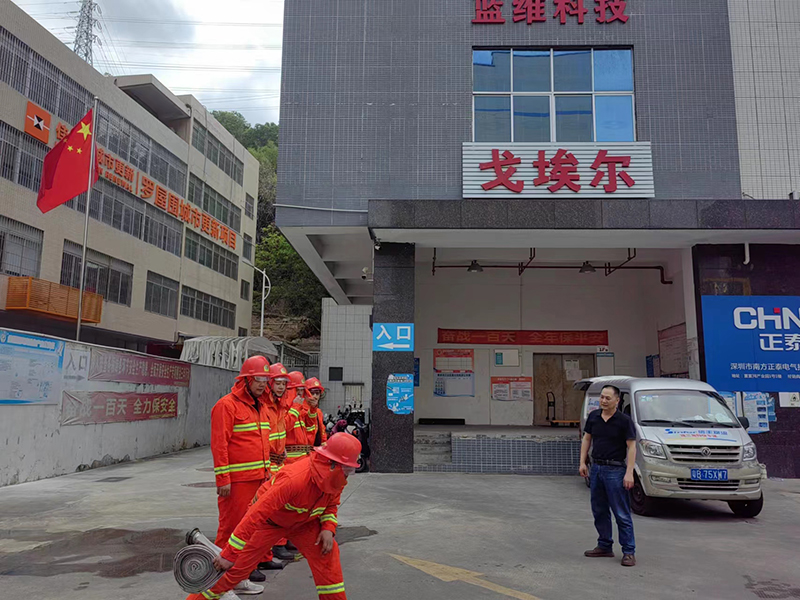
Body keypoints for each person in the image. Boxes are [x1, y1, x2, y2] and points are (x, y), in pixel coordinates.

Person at [185, 433, 361, 600]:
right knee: (232, 572)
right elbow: (255, 515)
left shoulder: (334, 479)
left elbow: (331, 504)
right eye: (347, 469)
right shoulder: (294, 480)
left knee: (327, 555)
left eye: (350, 470)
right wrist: (229, 554)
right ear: (331, 464)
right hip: (269, 523)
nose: (348, 475)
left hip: (302, 523)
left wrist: (328, 528)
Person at [209, 355, 272, 593]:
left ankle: (238, 578)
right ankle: (219, 584)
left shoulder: (261, 406)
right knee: (230, 531)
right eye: (257, 379)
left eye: (265, 380)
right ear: (245, 380)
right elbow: (219, 444)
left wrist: (267, 474)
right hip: (236, 483)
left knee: (248, 531)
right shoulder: (226, 406)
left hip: (259, 479)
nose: (262, 384)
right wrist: (223, 478)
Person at [579, 385, 637, 567]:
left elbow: (632, 447)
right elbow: (587, 438)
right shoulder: (594, 417)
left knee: (621, 513)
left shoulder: (624, 421)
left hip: (615, 470)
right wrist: (582, 462)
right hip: (596, 468)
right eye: (602, 397)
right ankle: (604, 545)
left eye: (607, 398)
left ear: (617, 400)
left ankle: (629, 551)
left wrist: (629, 472)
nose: (603, 401)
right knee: (599, 510)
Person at [284, 376, 327, 464]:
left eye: (317, 393)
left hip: (307, 453)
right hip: (295, 456)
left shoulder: (317, 411)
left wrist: (324, 443)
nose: (314, 396)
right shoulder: (297, 409)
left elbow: (320, 430)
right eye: (312, 393)